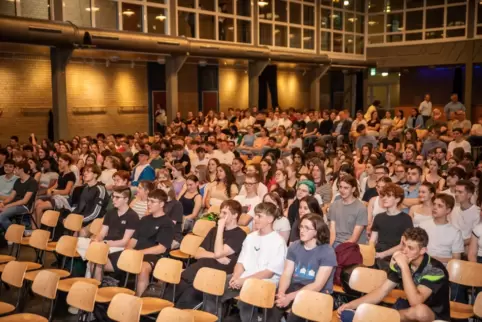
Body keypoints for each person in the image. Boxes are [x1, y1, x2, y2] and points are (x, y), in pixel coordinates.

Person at [338, 227, 451, 322]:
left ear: (422, 251)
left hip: (434, 316)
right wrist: (351, 305)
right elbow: (382, 291)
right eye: (404, 245)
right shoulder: (403, 261)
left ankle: (375, 318)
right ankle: (372, 316)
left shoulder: (435, 270)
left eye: (411, 248)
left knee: (420, 311)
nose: (405, 251)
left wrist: (404, 267)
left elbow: (415, 302)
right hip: (406, 312)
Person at [203, 202, 287, 321]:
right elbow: (240, 262)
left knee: (246, 300)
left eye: (259, 216)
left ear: (270, 219)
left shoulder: (278, 242)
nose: (255, 219)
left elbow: (269, 273)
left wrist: (243, 281)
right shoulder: (251, 237)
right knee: (212, 288)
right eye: (255, 215)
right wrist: (236, 276)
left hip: (264, 283)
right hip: (243, 278)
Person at [96, 189, 174, 296]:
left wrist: (138, 253)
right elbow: (133, 240)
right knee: (98, 262)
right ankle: (98, 296)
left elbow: (161, 248)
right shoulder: (145, 219)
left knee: (142, 269)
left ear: (161, 204)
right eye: (148, 201)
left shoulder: (167, 223)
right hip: (135, 253)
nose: (149, 204)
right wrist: (128, 250)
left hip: (153, 256)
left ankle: (139, 303)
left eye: (152, 202)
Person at [173, 200, 247, 308]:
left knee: (186, 296)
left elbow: (219, 253)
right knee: (176, 289)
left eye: (225, 213)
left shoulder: (240, 234)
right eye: (220, 212)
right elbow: (198, 254)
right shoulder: (213, 230)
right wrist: (215, 256)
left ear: (235, 215)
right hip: (198, 269)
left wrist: (220, 229)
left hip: (217, 273)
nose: (221, 216)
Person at [271, 213, 337, 322]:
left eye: (307, 228)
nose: (302, 231)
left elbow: (318, 285)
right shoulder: (295, 246)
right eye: (301, 227)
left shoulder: (327, 251)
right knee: (273, 305)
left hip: (318, 292)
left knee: (297, 311)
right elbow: (287, 274)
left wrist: (290, 297)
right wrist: (282, 293)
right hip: (296, 286)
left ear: (317, 231)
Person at [370, 183, 413, 269]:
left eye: (389, 196)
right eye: (383, 196)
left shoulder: (406, 219)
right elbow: (373, 239)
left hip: (395, 256)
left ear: (397, 199)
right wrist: (370, 251)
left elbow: (403, 245)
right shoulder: (378, 217)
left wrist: (382, 254)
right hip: (378, 253)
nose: (384, 198)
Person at [33, 154, 76, 228]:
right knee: (36, 203)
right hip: (55, 195)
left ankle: (38, 230)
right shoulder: (61, 173)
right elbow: (56, 185)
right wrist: (50, 189)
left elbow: (66, 191)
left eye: (61, 161)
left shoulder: (71, 175)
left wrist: (55, 191)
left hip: (63, 198)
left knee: (39, 207)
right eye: (59, 161)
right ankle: (35, 228)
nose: (59, 163)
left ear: (67, 162)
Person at [420, 193, 463, 264]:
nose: (434, 208)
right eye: (434, 204)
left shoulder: (455, 232)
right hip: (423, 265)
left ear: (448, 210)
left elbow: (456, 259)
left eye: (440, 206)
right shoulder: (422, 225)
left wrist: (434, 259)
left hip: (444, 268)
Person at [328, 175, 368, 248]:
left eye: (346, 188)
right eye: (340, 187)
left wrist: (339, 249)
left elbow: (354, 239)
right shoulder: (334, 205)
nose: (342, 190)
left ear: (353, 189)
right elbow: (332, 232)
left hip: (351, 246)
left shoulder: (361, 208)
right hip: (335, 242)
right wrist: (329, 249)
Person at [0, 161, 38, 231]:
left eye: (16, 168)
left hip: (24, 206)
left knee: (1, 216)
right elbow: (11, 197)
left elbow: (24, 201)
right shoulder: (18, 180)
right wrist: (3, 203)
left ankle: (15, 234)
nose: (14, 170)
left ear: (21, 170)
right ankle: (14, 233)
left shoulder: (32, 182)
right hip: (15, 204)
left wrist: (8, 206)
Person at [451, 180, 480, 246]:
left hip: (469, 249)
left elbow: (477, 236)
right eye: (456, 191)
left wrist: (459, 244)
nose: (456, 194)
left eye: (460, 192)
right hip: (453, 247)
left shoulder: (477, 212)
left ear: (469, 195)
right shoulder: (454, 210)